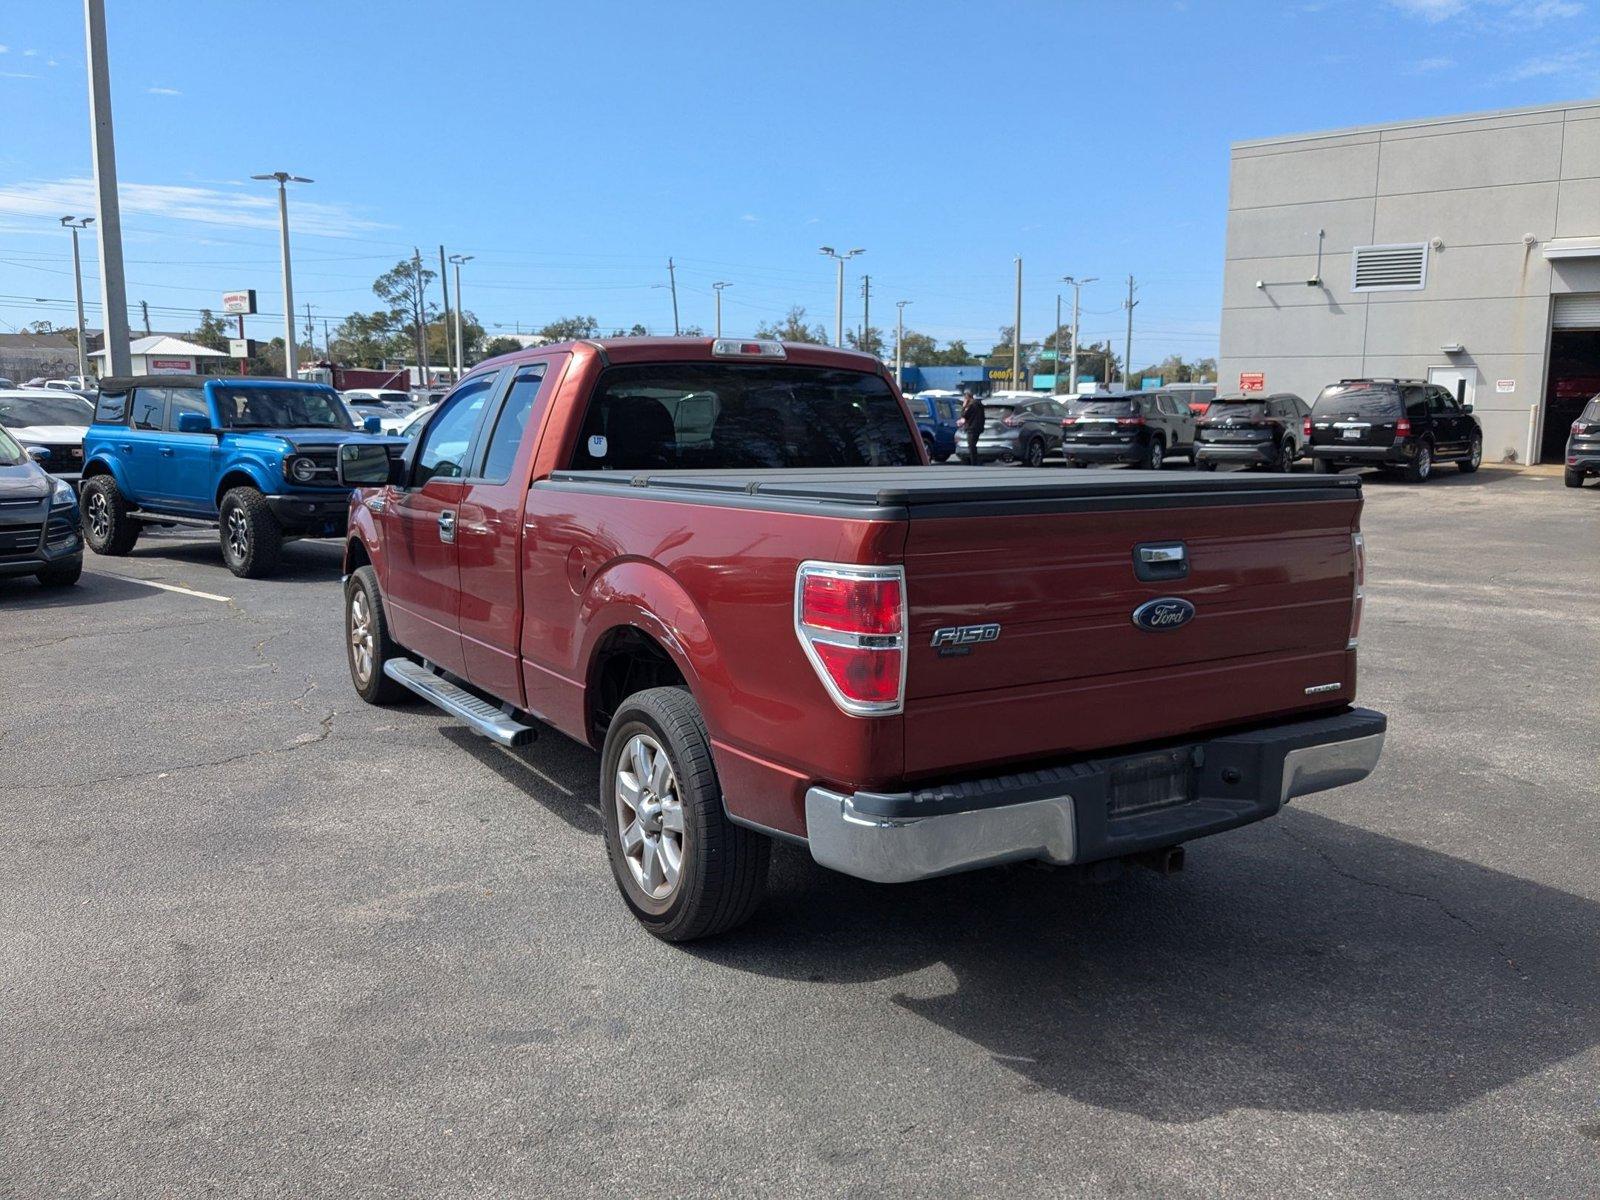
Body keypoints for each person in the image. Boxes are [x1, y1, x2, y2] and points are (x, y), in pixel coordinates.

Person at [959, 388, 986, 464]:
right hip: (978, 428)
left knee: (971, 445)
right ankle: (976, 460)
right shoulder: (979, 404)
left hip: (972, 428)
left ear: (967, 397)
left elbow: (964, 415)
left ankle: (974, 462)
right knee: (973, 444)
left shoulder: (971, 405)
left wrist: (964, 406)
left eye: (965, 397)